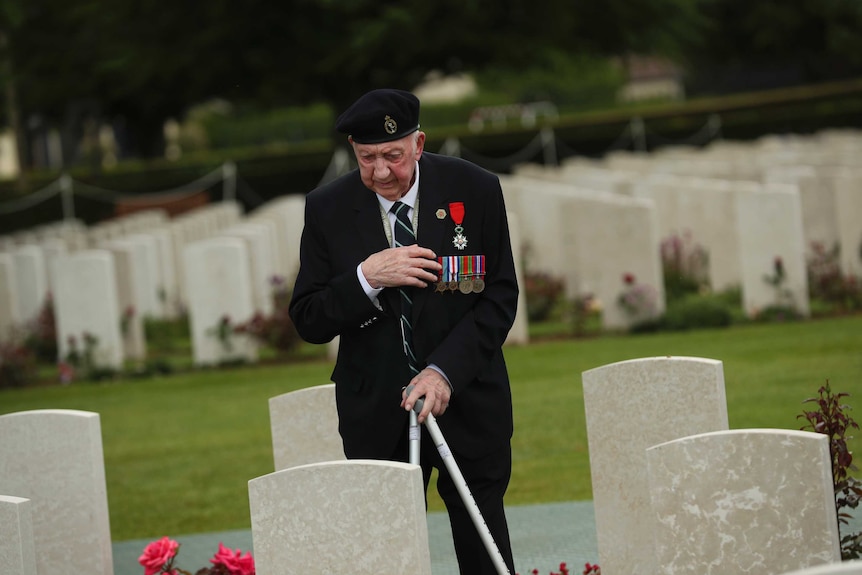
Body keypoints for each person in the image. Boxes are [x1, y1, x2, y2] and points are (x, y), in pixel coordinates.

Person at [289, 88, 519, 574]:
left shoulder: (474, 189)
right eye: (366, 157)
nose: (379, 172)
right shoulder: (327, 207)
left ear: (419, 144)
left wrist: (442, 373)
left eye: (393, 156)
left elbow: (497, 297)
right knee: (387, 552)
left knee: (483, 545)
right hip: (375, 408)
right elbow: (308, 318)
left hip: (467, 398)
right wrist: (366, 278)